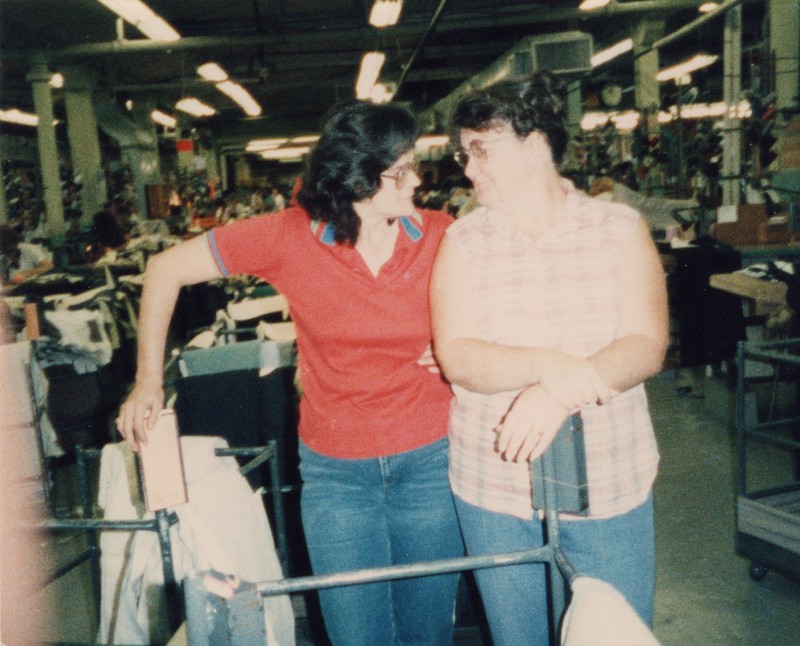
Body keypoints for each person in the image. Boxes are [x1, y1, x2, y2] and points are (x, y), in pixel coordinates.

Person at [116, 100, 464, 646]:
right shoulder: (288, 235)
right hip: (337, 478)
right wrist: (148, 381)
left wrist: (460, 348)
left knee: (428, 633)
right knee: (357, 637)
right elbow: (163, 270)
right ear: (357, 178)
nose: (417, 180)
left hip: (431, 463)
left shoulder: (443, 234)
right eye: (401, 171)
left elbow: (509, 298)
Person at [430, 70, 668, 645]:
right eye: (465, 153)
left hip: (612, 482)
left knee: (615, 631)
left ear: (535, 141)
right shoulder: (463, 242)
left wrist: (557, 392)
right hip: (495, 490)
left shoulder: (618, 227)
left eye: (480, 150)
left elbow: (646, 343)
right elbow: (458, 354)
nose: (468, 168)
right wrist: (551, 368)